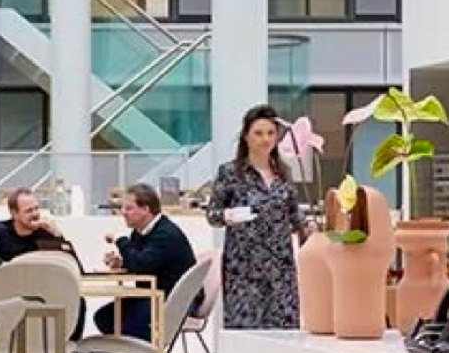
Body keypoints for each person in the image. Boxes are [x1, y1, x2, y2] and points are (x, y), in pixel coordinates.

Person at [206, 104, 305, 331]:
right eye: (258, 133)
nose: (265, 139)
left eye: (270, 133)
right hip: (244, 268)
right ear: (246, 136)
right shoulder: (230, 173)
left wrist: (309, 229)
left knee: (283, 332)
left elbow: (294, 214)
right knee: (246, 330)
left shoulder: (284, 173)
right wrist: (230, 215)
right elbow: (212, 215)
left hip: (281, 267)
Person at [97, 182, 195, 341]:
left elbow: (142, 263)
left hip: (176, 299)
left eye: (129, 208)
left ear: (146, 209)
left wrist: (120, 240)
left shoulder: (165, 234)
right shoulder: (139, 232)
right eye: (123, 208)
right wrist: (121, 262)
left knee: (129, 322)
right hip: (155, 295)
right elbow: (141, 261)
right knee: (104, 317)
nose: (123, 213)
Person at [0, 186, 78, 272]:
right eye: (29, 211)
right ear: (14, 213)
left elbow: (70, 265)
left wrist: (57, 234)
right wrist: (5, 267)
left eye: (36, 208)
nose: (35, 214)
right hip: (8, 289)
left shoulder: (45, 231)